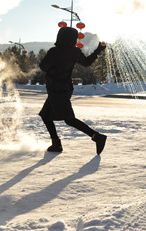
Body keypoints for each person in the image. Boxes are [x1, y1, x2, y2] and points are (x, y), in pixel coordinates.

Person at [39, 26, 108, 155]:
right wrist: (99, 49)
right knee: (45, 115)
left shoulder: (54, 51)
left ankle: (97, 137)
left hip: (56, 89)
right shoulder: (74, 52)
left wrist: (53, 69)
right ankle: (56, 143)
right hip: (64, 88)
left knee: (69, 119)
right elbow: (87, 62)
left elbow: (43, 66)